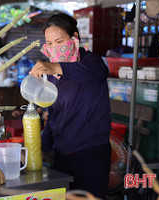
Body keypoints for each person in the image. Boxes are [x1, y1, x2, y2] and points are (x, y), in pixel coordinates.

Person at [29, 13, 111, 199]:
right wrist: (42, 146)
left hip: (90, 152)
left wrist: (56, 67)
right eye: (49, 44)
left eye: (59, 41)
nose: (54, 48)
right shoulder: (52, 75)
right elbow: (54, 113)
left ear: (74, 37)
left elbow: (97, 73)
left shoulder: (91, 62)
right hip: (63, 152)